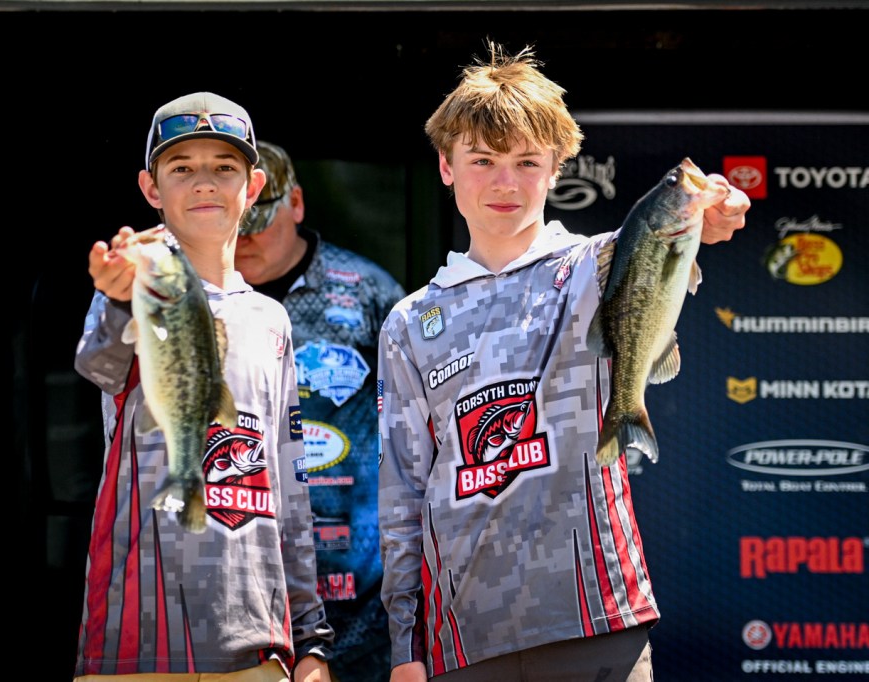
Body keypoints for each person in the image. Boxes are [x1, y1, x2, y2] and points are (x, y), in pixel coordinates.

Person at [376, 43, 751, 682]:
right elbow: (402, 494)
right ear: (445, 166)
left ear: (555, 169)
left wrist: (712, 211)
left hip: (598, 618)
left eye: (527, 161)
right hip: (462, 639)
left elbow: (672, 234)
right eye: (482, 160)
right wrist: (404, 645)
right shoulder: (410, 321)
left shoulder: (595, 265)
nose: (505, 182)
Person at [73, 91, 334, 681]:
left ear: (254, 185)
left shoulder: (271, 320)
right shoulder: (135, 285)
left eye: (223, 167)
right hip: (136, 643)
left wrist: (311, 640)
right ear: (150, 188)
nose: (204, 184)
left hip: (258, 643)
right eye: (182, 168)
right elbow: (99, 366)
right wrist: (119, 297)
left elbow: (291, 492)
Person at [234, 141, 406, 682]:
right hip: (239, 579)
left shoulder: (369, 292)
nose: (244, 239)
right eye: (234, 225)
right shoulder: (201, 300)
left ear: (297, 204)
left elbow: (418, 432)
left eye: (257, 223)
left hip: (359, 589)